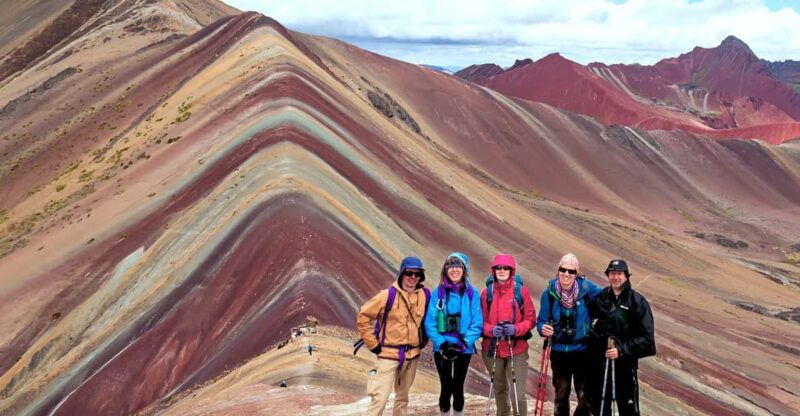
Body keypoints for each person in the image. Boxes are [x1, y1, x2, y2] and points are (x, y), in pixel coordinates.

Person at [356, 256, 430, 416]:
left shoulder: (425, 295)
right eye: (409, 273)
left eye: (417, 274)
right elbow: (363, 315)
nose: (413, 277)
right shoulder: (387, 295)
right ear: (402, 274)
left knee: (402, 399)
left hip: (412, 355)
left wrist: (424, 341)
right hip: (388, 355)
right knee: (379, 399)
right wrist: (373, 344)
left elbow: (429, 321)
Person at [536, 253, 602, 416]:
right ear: (557, 271)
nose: (566, 274)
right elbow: (541, 320)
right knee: (561, 396)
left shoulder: (588, 290)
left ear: (576, 273)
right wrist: (543, 328)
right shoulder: (549, 294)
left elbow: (607, 297)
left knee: (586, 397)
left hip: (583, 351)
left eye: (571, 271)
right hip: (559, 351)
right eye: (562, 270)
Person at [589, 259, 655, 416]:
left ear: (626, 276)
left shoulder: (637, 302)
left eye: (619, 274)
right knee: (599, 408)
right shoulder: (602, 297)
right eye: (612, 273)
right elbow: (588, 321)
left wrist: (621, 350)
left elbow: (647, 339)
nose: (615, 277)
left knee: (628, 409)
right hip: (601, 364)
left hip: (625, 366)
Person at [424, 252, 483, 416]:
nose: (454, 270)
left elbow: (477, 323)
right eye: (451, 266)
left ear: (464, 270)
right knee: (445, 386)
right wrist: (442, 343)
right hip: (442, 348)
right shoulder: (438, 293)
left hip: (464, 348)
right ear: (445, 270)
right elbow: (430, 322)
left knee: (458, 386)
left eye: (458, 266)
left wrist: (464, 342)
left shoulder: (472, 293)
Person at [481, 254, 536, 416]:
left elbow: (531, 319)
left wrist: (516, 329)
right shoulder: (486, 294)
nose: (502, 270)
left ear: (512, 270)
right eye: (499, 268)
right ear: (494, 270)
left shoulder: (521, 292)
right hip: (493, 349)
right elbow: (479, 321)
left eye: (506, 268)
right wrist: (491, 330)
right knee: (499, 389)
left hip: (516, 348)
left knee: (518, 393)